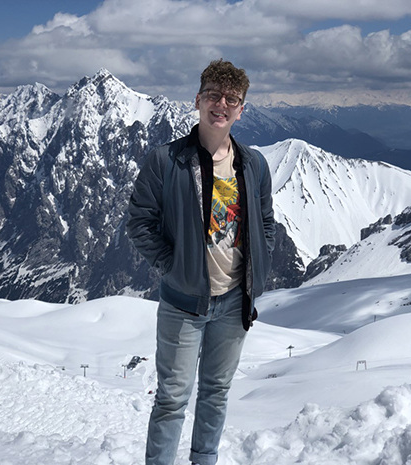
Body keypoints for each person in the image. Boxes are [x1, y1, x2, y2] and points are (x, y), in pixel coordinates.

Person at [126, 59, 275, 465]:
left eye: (231, 99)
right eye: (213, 95)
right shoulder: (166, 160)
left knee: (216, 391)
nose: (221, 104)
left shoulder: (253, 164)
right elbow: (139, 221)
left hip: (233, 301)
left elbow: (265, 223)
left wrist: (257, 271)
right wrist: (173, 265)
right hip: (183, 303)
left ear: (241, 109)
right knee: (173, 398)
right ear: (197, 100)